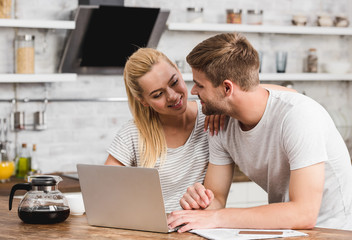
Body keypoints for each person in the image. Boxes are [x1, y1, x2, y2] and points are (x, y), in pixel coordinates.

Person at [167, 33, 352, 232]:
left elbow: (304, 213)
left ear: (227, 88)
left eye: (200, 85)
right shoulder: (220, 123)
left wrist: (216, 217)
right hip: (287, 231)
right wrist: (201, 206)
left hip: (333, 231)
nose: (193, 91)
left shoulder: (299, 116)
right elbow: (217, 199)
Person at [104, 47, 290, 213]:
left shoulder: (212, 114)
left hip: (198, 228)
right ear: (143, 101)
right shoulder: (133, 133)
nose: (172, 96)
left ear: (178, 71)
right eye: (158, 94)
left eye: (174, 81)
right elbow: (105, 191)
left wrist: (227, 97)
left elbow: (289, 96)